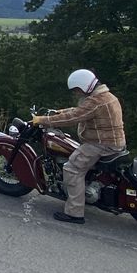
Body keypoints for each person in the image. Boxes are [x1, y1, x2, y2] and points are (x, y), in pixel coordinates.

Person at [32, 69, 126, 224]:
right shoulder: (105, 96)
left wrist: (41, 120)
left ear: (84, 86)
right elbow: (79, 111)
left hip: (101, 145)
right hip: (111, 143)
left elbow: (73, 117)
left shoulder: (97, 101)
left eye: (77, 90)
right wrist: (59, 112)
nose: (76, 93)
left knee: (72, 169)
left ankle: (74, 213)